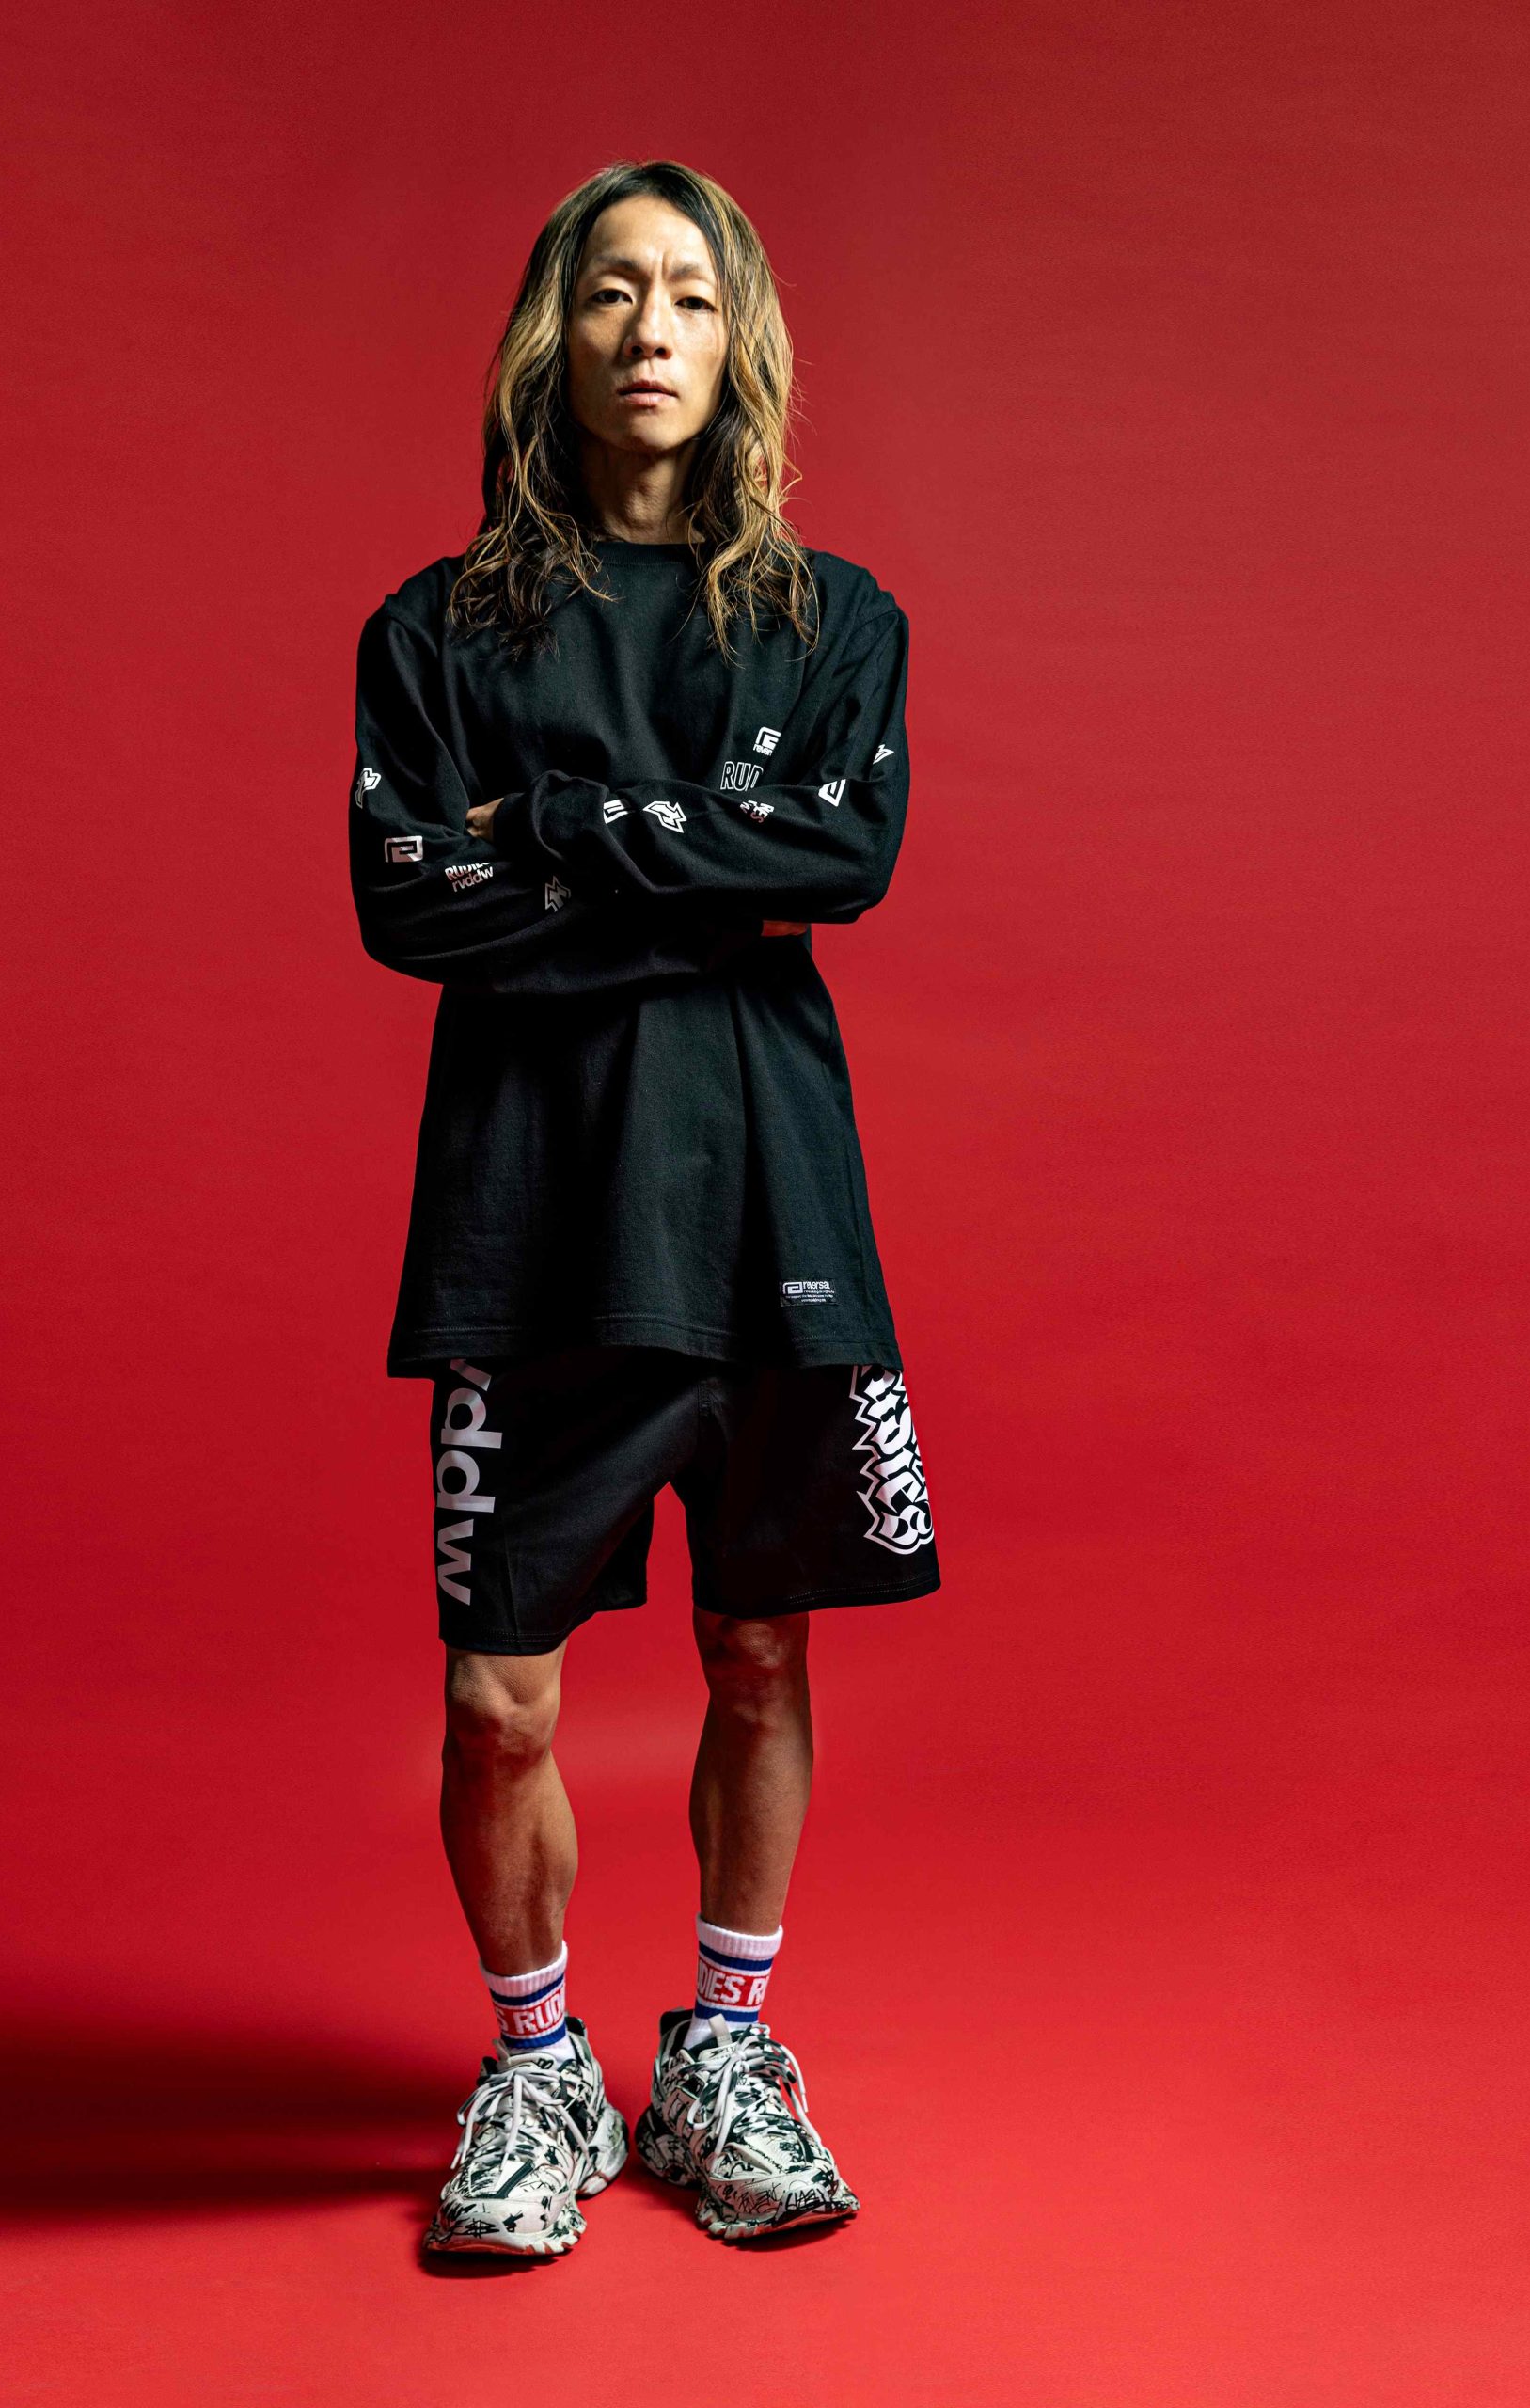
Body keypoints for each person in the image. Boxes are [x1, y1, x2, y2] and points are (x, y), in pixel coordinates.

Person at [347, 158, 939, 2258]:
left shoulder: (833, 622)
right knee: (496, 1694)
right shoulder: (435, 633)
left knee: (759, 1646)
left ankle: (722, 2059)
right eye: (613, 290)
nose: (651, 329)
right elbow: (409, 905)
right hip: (528, 1214)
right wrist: (702, 865)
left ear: (736, 337)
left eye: (690, 293)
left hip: (773, 1199)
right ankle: (532, 2068)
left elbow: (840, 860)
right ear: (556, 334)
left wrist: (561, 826)